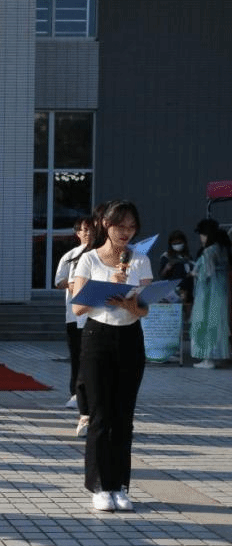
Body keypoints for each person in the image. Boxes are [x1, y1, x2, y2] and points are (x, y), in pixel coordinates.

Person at [71, 200, 152, 512]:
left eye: (132, 227)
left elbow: (144, 308)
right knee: (101, 415)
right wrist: (108, 288)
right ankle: (99, 486)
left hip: (130, 337)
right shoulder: (89, 259)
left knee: (124, 416)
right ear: (106, 224)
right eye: (121, 226)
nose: (126, 233)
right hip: (98, 338)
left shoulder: (140, 260)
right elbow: (79, 306)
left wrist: (129, 303)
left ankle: (119, 485)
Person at [54, 216, 93, 436]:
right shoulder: (70, 256)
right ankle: (75, 393)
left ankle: (91, 395)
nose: (88, 233)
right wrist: (70, 284)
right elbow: (58, 281)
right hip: (73, 312)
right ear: (77, 233)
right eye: (84, 230)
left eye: (91, 229)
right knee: (76, 355)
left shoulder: (99, 254)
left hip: (93, 313)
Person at [189, 218, 231, 369]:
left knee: (205, 323)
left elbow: (206, 273)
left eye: (201, 234)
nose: (201, 238)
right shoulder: (223, 248)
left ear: (206, 234)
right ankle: (218, 355)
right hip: (221, 291)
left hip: (208, 293)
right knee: (218, 324)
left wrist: (194, 273)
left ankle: (208, 359)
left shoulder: (209, 251)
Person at [158, 230, 194, 304]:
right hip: (173, 293)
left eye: (179, 243)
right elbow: (161, 275)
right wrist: (167, 268)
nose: (177, 245)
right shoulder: (166, 256)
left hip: (187, 292)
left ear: (184, 243)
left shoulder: (188, 257)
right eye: (175, 243)